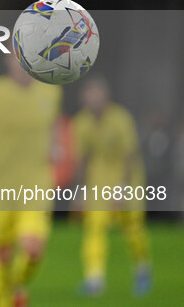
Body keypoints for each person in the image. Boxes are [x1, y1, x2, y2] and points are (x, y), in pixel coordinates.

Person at [0, 55, 62, 307]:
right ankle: (6, 301)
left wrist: (56, 146)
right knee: (2, 253)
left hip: (36, 186)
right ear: (8, 60)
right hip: (0, 187)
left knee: (33, 250)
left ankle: (16, 286)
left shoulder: (51, 93)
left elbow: (54, 129)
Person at [72, 75, 151, 296]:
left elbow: (130, 155)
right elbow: (82, 159)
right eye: (89, 94)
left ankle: (142, 270)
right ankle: (94, 279)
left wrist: (122, 187)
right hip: (98, 177)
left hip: (126, 178)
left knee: (133, 229)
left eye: (97, 93)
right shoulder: (82, 121)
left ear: (106, 96)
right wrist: (80, 190)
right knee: (94, 228)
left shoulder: (120, 118)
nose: (93, 99)